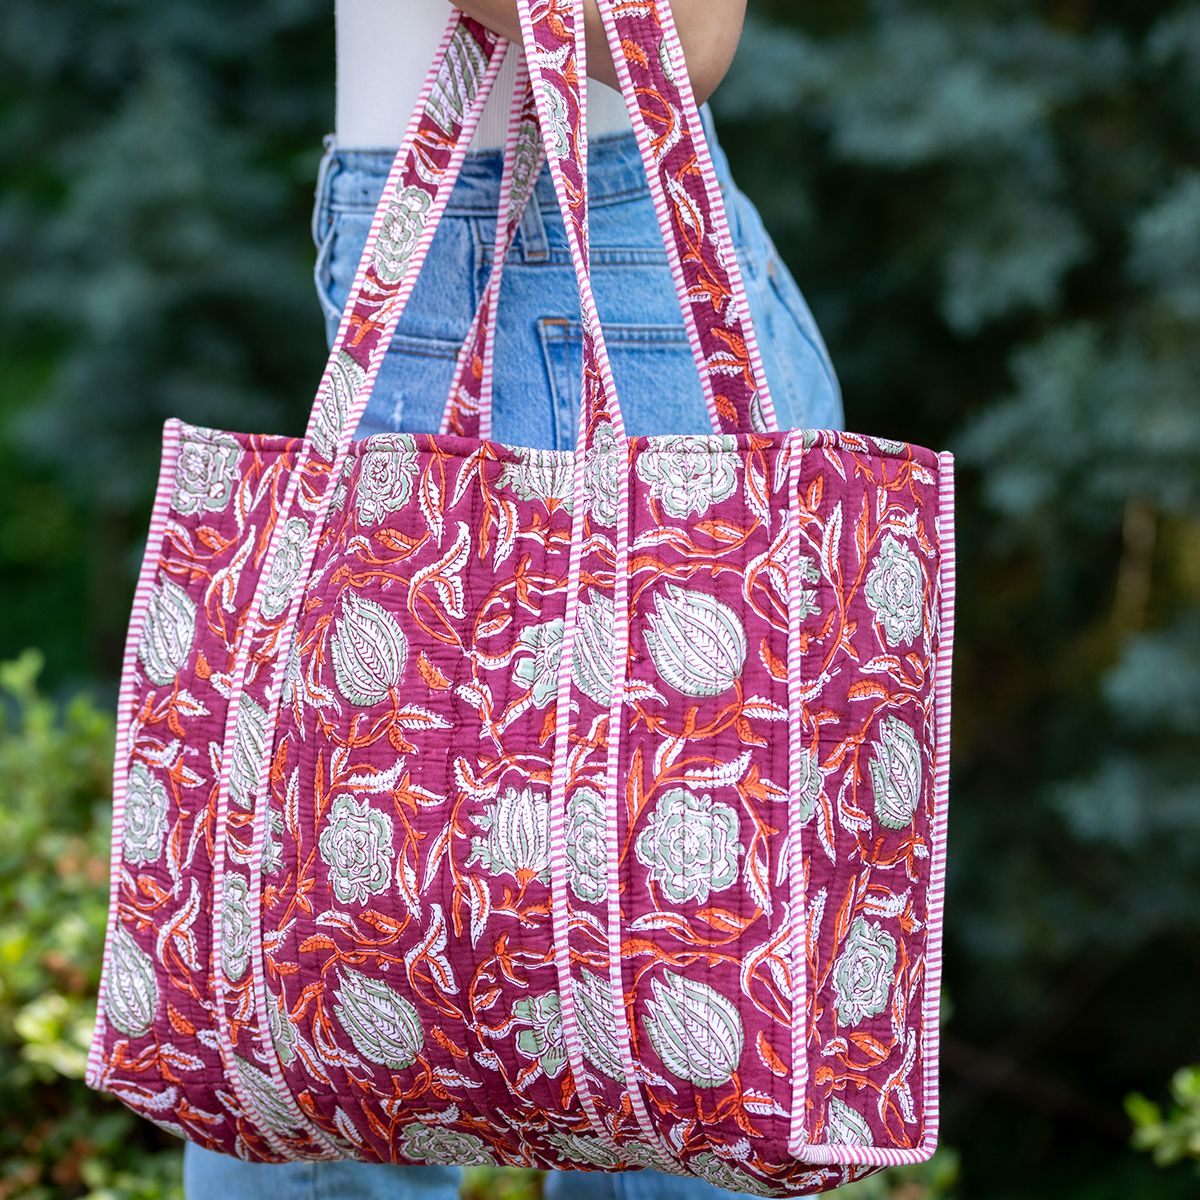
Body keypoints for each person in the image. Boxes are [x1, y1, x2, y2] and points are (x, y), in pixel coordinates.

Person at [184, 1, 841, 1196]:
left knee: (656, 1054)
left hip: (594, 290)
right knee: (303, 1036)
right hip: (470, 260)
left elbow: (687, 34)